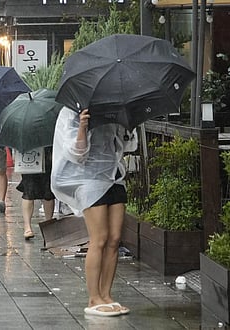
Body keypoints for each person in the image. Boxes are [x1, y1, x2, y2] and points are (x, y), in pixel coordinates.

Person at [51, 107, 137, 317]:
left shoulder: (115, 108)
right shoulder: (71, 112)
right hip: (87, 179)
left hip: (114, 176)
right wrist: (82, 127)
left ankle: (106, 295)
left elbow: (128, 145)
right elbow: (75, 153)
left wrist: (128, 125)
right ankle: (94, 297)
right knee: (99, 238)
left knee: (115, 239)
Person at [16, 146, 55, 239]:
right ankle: (27, 226)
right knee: (29, 191)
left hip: (47, 156)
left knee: (48, 192)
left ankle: (48, 224)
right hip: (28, 156)